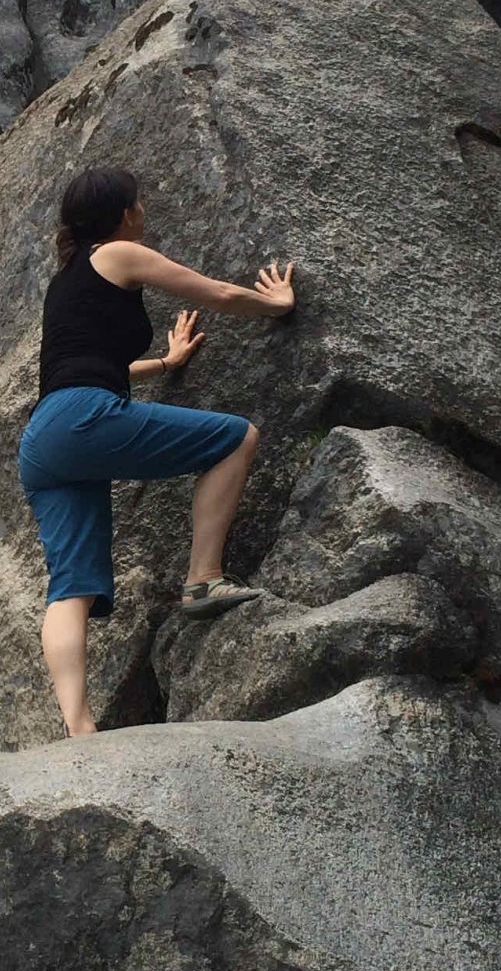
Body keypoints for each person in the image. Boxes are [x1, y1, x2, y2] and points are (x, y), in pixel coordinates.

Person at [18, 163, 296, 737]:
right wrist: (277, 304)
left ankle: (78, 728)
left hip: (44, 439)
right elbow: (215, 293)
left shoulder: (66, 277)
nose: (144, 212)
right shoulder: (119, 253)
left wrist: (165, 366)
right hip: (82, 419)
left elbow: (88, 365)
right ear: (124, 214)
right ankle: (204, 577)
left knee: (71, 588)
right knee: (235, 437)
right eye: (139, 204)